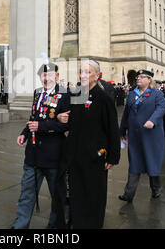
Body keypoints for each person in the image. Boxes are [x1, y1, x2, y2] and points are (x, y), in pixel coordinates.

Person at [55, 60, 120, 229]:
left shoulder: (104, 98)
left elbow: (112, 128)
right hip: (75, 155)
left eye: (87, 72)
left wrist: (112, 157)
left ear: (97, 76)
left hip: (95, 156)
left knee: (93, 195)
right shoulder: (77, 95)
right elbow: (72, 121)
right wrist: (59, 117)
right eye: (81, 72)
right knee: (77, 194)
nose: (82, 75)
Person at [12, 62, 70, 229]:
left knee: (57, 196)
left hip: (54, 155)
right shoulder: (38, 93)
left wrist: (42, 126)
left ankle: (54, 226)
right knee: (26, 194)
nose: (46, 78)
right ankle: (20, 226)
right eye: (43, 75)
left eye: (49, 75)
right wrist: (24, 133)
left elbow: (67, 125)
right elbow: (33, 118)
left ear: (57, 76)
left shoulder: (65, 95)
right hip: (33, 154)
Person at [119, 69, 165, 203]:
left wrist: (153, 120)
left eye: (141, 77)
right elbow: (126, 113)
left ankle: (155, 188)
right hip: (135, 135)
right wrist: (122, 130)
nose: (138, 79)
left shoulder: (156, 94)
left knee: (152, 161)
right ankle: (129, 194)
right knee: (134, 162)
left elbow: (162, 108)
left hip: (151, 136)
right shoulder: (131, 94)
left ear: (149, 80)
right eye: (138, 77)